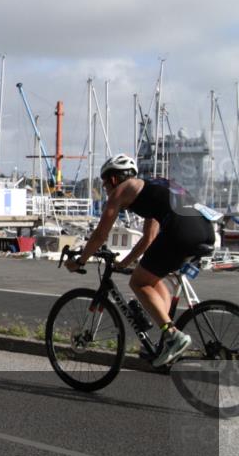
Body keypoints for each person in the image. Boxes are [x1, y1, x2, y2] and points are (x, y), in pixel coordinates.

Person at [65, 154, 217, 367]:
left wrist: (80, 261)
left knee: (138, 282)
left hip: (181, 231)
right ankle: (166, 339)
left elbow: (100, 235)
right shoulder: (152, 188)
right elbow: (148, 239)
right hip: (205, 230)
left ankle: (173, 335)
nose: (106, 189)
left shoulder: (121, 191)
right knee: (152, 280)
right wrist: (125, 262)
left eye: (105, 183)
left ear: (114, 179)